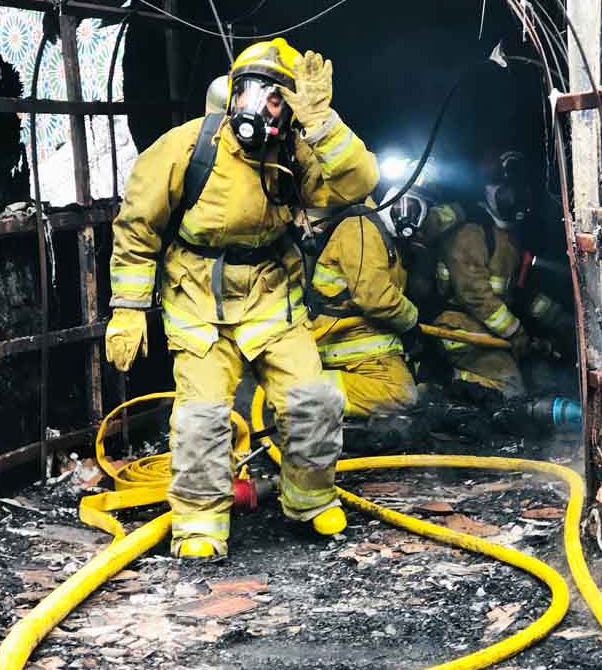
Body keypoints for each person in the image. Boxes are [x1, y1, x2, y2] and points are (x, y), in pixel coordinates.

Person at [105, 39, 379, 558]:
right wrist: (128, 309)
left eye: (275, 99)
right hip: (198, 302)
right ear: (231, 93)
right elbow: (137, 228)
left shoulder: (294, 153)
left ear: (289, 109)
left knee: (314, 401)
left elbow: (359, 183)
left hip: (270, 296)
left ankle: (309, 501)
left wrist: (322, 124)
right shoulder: (187, 148)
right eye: (250, 92)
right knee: (203, 418)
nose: (259, 107)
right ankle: (200, 523)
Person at [390, 152, 574, 401]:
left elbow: (519, 294)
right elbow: (474, 295)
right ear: (488, 191)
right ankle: (441, 386)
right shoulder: (471, 232)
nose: (514, 199)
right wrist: (515, 331)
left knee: (535, 379)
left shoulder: (508, 238)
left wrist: (565, 323)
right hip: (456, 326)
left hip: (483, 328)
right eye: (506, 191)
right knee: (509, 389)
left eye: (518, 191)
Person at [300, 198, 420, 418]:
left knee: (407, 389)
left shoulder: (377, 229)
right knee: (400, 394)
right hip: (343, 334)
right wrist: (411, 322)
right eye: (402, 205)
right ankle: (298, 391)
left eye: (417, 209)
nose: (408, 215)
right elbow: (375, 298)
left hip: (360, 330)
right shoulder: (361, 228)